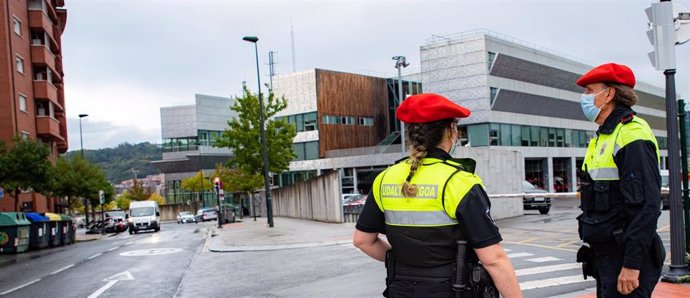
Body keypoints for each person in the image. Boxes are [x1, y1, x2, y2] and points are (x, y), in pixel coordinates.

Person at [353, 93, 522, 298]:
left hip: (400, 290)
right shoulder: (458, 181)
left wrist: (402, 261)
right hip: (451, 290)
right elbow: (493, 260)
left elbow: (363, 241)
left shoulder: (385, 178)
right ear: (451, 130)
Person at [575, 63, 665, 297]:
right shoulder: (603, 136)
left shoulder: (631, 133)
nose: (584, 97)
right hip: (607, 256)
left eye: (589, 90)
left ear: (609, 94)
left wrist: (632, 265)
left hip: (626, 259)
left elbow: (647, 205)